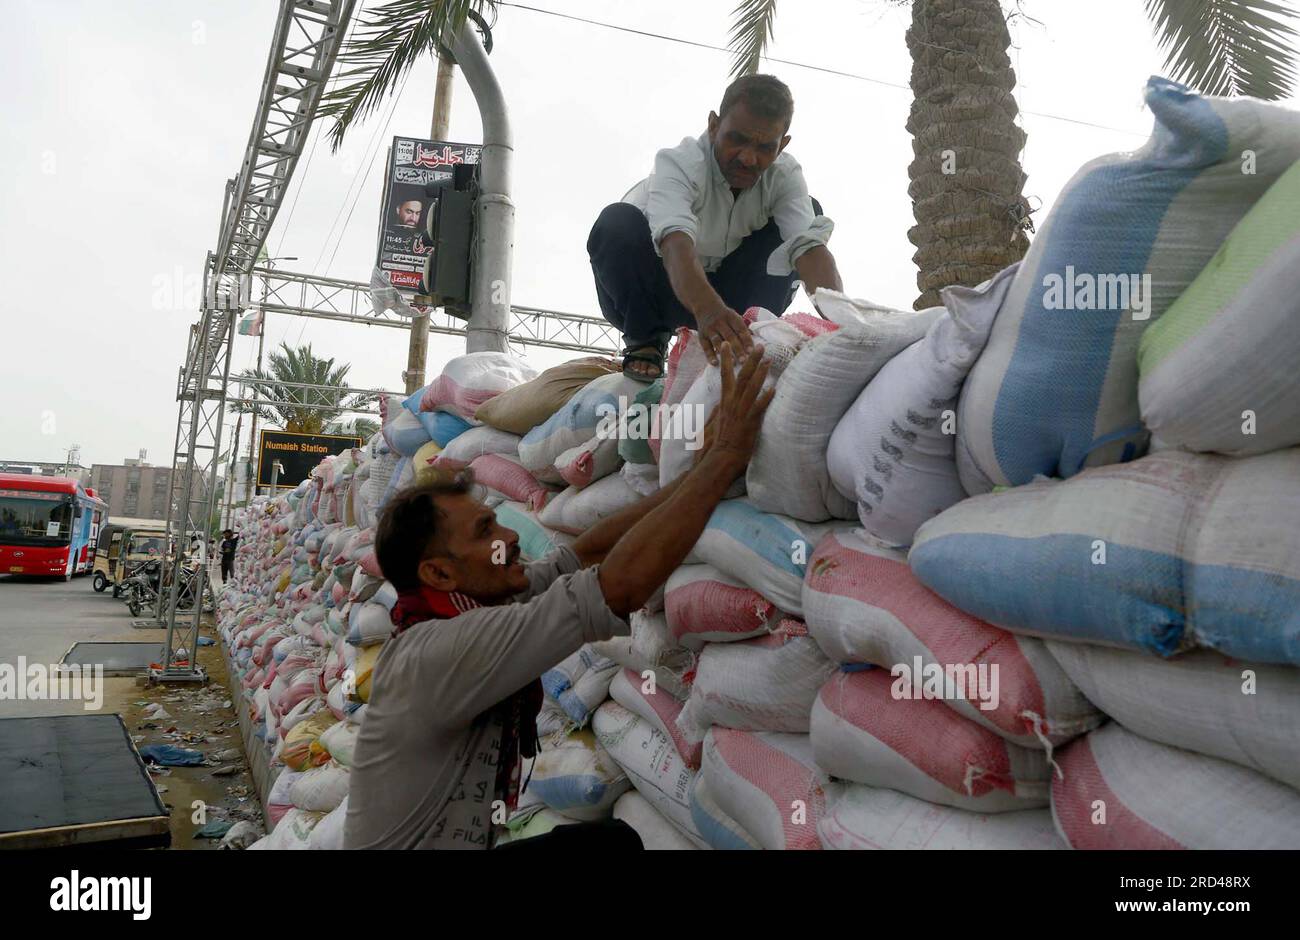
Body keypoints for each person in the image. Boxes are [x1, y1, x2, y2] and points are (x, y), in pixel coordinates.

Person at [343, 343, 774, 850]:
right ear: (438, 573)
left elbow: (587, 552)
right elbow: (619, 587)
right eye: (484, 531)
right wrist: (723, 462)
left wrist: (691, 478)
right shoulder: (442, 649)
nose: (507, 537)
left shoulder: (479, 605)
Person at [588, 73, 844, 382]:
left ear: (782, 145)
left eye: (765, 147)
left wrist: (843, 327)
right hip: (658, 291)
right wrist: (708, 312)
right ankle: (647, 340)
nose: (748, 158)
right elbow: (676, 244)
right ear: (713, 125)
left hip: (731, 303)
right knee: (616, 222)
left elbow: (809, 250)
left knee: (810, 215)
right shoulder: (679, 163)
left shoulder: (785, 176)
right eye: (737, 139)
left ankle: (753, 334)